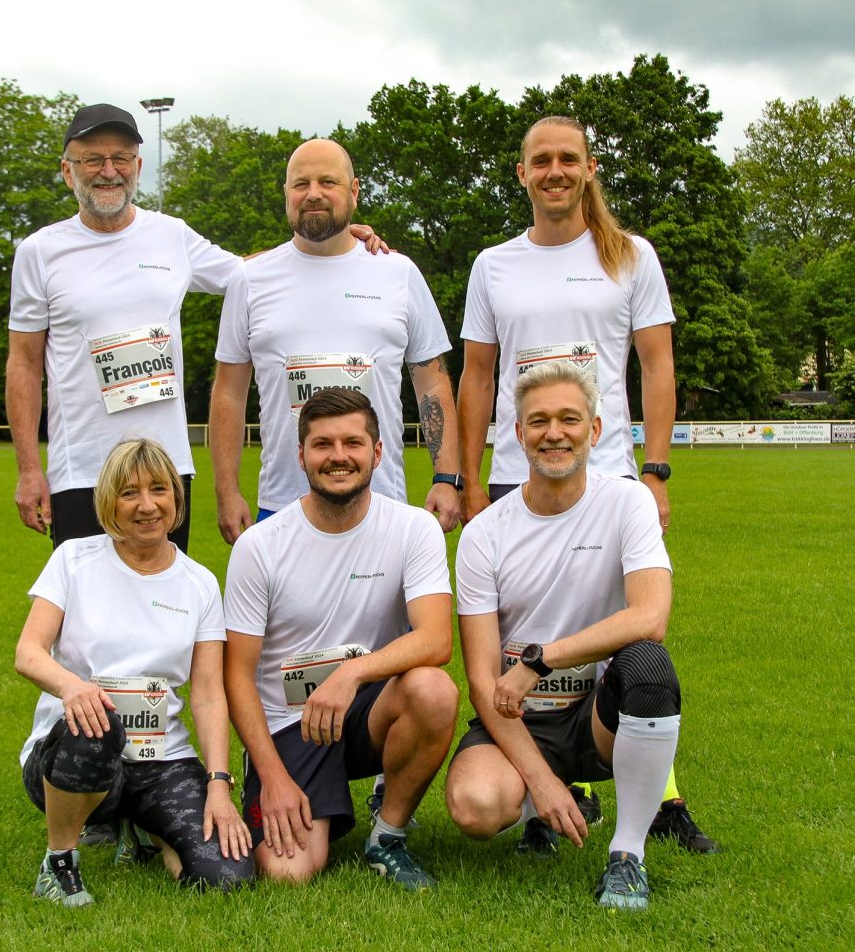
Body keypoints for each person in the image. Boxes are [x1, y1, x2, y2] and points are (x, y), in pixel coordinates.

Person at [456, 114, 717, 853]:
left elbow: (657, 364)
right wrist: (469, 479)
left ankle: (658, 798)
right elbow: (477, 375)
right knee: (517, 648)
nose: (555, 170)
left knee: (627, 644)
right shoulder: (494, 264)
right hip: (516, 477)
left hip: (606, 475)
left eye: (568, 158)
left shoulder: (630, 255)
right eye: (541, 160)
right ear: (522, 174)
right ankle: (543, 789)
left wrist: (656, 469)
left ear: (590, 167)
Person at [7, 105, 384, 552]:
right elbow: (24, 364)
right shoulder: (40, 252)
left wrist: (334, 239)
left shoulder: (171, 235)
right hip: (82, 471)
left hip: (166, 472)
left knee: (164, 605)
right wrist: (30, 468)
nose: (109, 171)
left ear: (138, 167)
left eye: (121, 158)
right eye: (92, 159)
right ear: (68, 171)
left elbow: (248, 273)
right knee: (87, 613)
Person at [446, 362, 684, 911]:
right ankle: (537, 809)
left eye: (569, 419)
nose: (554, 433)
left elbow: (650, 617)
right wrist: (542, 781)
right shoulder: (484, 534)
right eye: (539, 421)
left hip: (597, 716)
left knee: (649, 663)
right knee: (475, 808)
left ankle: (628, 857)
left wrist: (541, 659)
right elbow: (482, 679)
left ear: (595, 431)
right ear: (519, 433)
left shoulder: (628, 503)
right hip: (515, 713)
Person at [222, 389, 457, 890]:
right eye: (322, 444)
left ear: (377, 452)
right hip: (290, 721)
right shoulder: (259, 547)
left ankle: (387, 836)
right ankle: (290, 789)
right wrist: (274, 777)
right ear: (301, 454)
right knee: (289, 873)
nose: (338, 456)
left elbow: (437, 640)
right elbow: (236, 674)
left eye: (353, 442)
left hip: (365, 709)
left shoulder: (414, 529)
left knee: (433, 689)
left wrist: (351, 673)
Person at [15, 438, 254, 905]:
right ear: (109, 501)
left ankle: (146, 827)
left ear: (175, 498)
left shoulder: (200, 583)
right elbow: (28, 652)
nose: (147, 506)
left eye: (159, 489)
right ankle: (59, 861)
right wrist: (72, 687)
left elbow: (207, 696)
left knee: (227, 874)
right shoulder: (74, 560)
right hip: (74, 752)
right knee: (96, 729)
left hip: (161, 762)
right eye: (129, 493)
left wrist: (219, 784)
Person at [210, 138, 461, 546]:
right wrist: (226, 490)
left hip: (383, 505)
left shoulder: (398, 273)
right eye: (301, 184)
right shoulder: (250, 280)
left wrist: (447, 478)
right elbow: (229, 394)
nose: (313, 194)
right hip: (283, 508)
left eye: (328, 182)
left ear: (354, 191)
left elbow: (432, 382)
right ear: (286, 194)